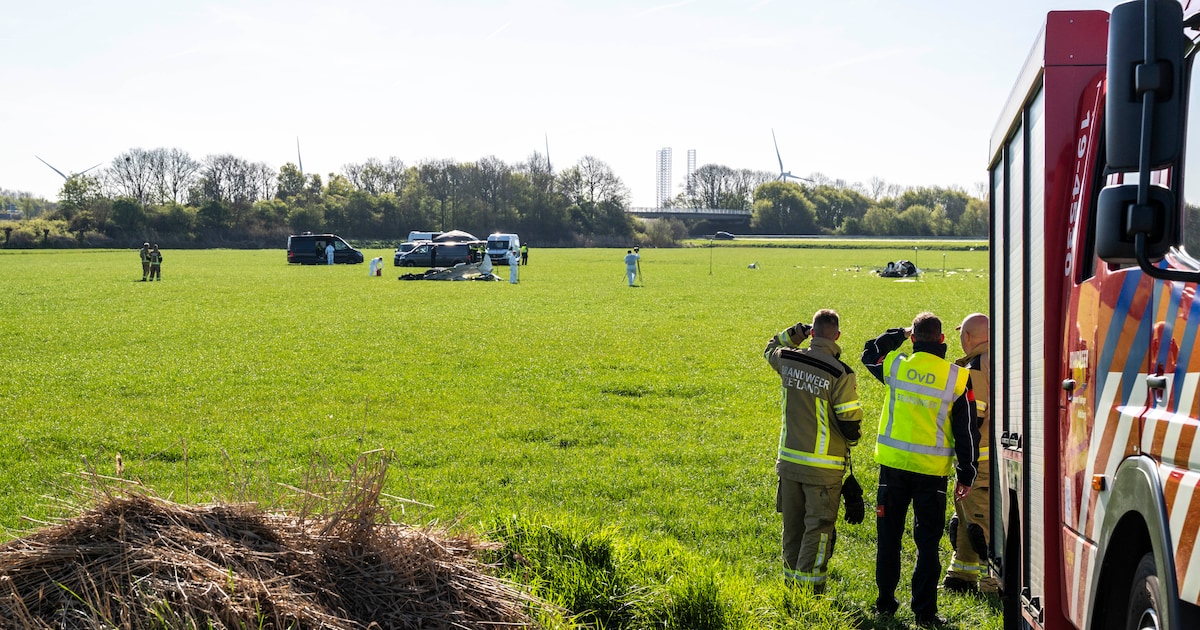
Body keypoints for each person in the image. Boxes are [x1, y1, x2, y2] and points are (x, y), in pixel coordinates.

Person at [861, 312, 978, 627]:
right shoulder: (958, 377)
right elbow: (967, 432)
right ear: (942, 340)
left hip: (894, 468)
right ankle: (925, 612)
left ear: (913, 338)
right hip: (932, 473)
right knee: (927, 544)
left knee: (889, 540)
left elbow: (869, 352)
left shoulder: (896, 366)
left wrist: (897, 332)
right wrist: (966, 473)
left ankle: (885, 604)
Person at [763, 309, 864, 593]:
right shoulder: (840, 372)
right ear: (838, 336)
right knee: (818, 530)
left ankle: (790, 588)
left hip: (789, 462)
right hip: (824, 468)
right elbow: (850, 421)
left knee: (792, 528)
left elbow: (770, 347)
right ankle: (810, 594)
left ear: (812, 333)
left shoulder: (788, 358)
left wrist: (794, 333)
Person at [943, 313, 998, 594]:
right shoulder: (1001, 356)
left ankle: (994, 582)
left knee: (980, 522)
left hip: (982, 457)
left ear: (967, 337)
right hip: (997, 453)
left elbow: (973, 418)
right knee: (965, 518)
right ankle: (961, 574)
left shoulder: (976, 366)